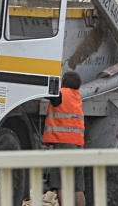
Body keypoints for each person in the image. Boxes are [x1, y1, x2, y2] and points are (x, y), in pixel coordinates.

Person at [44, 70, 85, 206]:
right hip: (78, 144)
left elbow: (47, 91)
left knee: (61, 184)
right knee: (77, 187)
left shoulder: (61, 94)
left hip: (63, 144)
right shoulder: (77, 96)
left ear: (64, 83)